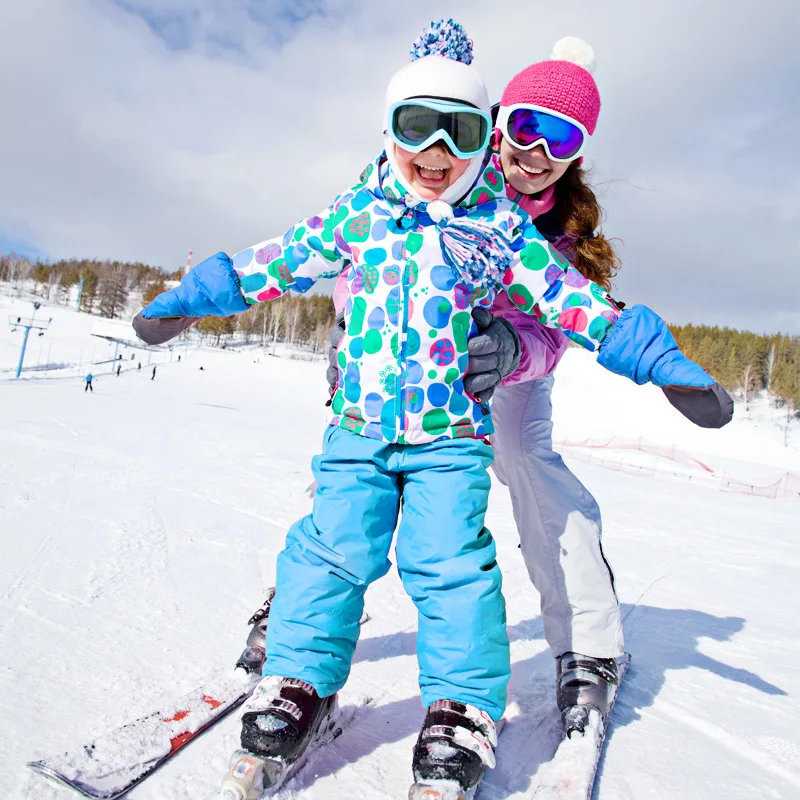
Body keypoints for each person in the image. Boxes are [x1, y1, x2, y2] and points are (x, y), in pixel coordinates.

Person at [133, 22, 728, 797]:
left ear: (576, 148)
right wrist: (204, 298)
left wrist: (643, 360)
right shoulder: (371, 200)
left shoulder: (521, 227)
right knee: (334, 539)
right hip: (370, 404)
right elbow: (282, 258)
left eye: (560, 135)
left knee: (470, 539)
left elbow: (574, 305)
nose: (533, 148)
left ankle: (497, 689)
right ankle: (298, 667)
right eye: (524, 126)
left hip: (469, 406)